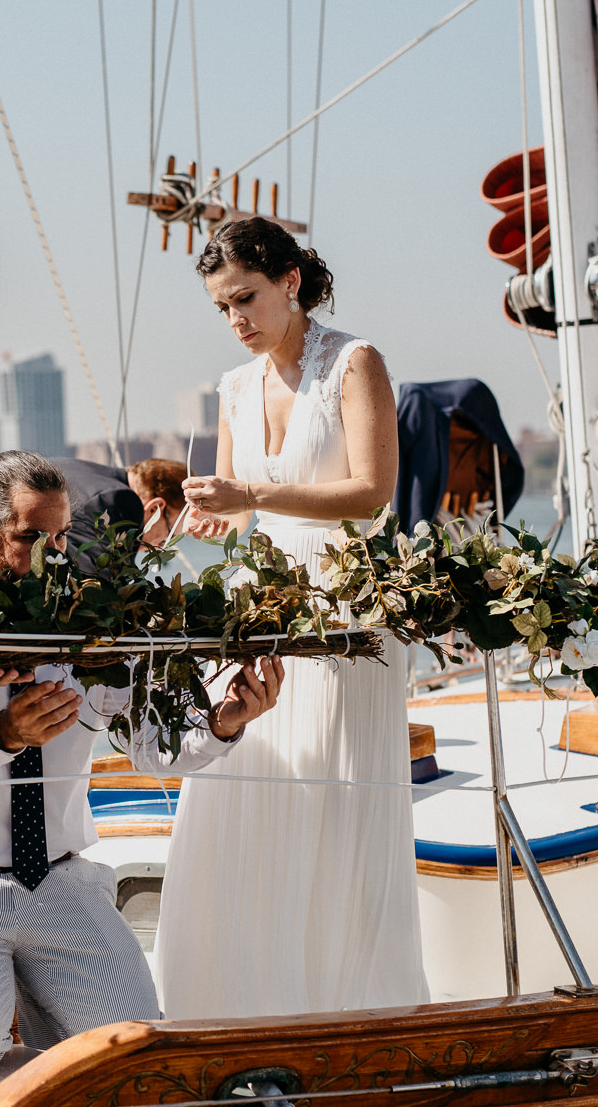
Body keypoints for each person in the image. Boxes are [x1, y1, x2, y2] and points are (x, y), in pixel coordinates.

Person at [0, 451, 283, 1079]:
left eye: (61, 536)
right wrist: (2, 735)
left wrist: (222, 721)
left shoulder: (86, 620)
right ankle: (11, 1025)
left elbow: (151, 742)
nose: (52, 555)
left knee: (136, 1047)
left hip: (56, 879)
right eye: (30, 538)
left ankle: (47, 1020)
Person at [154, 216, 429, 1018]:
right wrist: (214, 518)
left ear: (291, 283)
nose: (236, 319)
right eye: (221, 307)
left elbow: (372, 493)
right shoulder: (234, 387)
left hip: (344, 609)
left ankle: (341, 1005)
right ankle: (235, 1002)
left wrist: (250, 497)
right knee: (239, 786)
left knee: (332, 802)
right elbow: (244, 513)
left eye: (246, 298)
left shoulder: (355, 361)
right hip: (260, 602)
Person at [45, 456, 186, 572]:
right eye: (167, 539)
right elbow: (105, 591)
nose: (159, 549)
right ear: (154, 509)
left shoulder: (70, 465)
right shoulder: (117, 501)